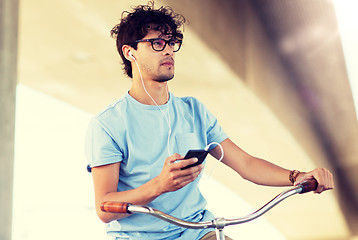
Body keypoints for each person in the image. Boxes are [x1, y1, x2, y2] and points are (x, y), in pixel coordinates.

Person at [85, 2, 334, 240]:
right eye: (157, 43)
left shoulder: (194, 110)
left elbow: (245, 164)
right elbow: (104, 208)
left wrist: (297, 176)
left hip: (198, 232)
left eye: (172, 42)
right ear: (130, 52)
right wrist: (160, 185)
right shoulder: (108, 124)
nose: (169, 49)